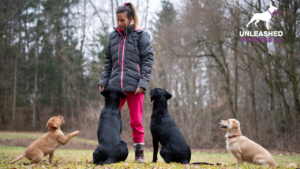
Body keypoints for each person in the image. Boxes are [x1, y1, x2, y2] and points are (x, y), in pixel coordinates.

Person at [98, 2, 154, 163]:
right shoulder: (113, 36)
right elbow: (108, 61)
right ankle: (108, 150)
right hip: (115, 87)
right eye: (117, 20)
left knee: (136, 121)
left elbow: (148, 59)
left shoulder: (140, 35)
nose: (120, 24)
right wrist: (104, 80)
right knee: (109, 119)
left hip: (135, 87)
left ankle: (139, 154)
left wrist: (143, 83)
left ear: (130, 19)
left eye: (122, 20)